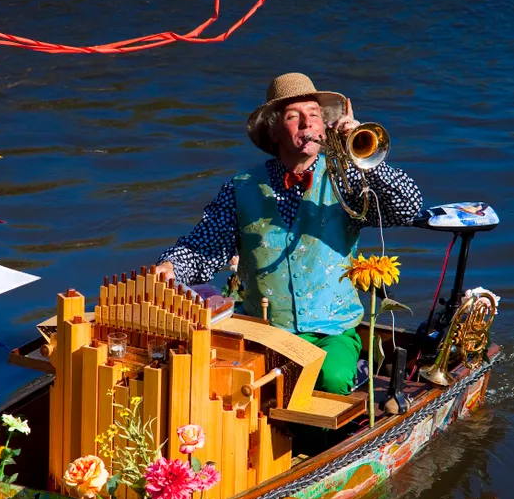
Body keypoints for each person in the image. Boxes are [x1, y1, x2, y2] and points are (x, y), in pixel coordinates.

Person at [156, 73, 422, 395]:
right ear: (274, 131)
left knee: (333, 379)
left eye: (313, 115)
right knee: (228, 383)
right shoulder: (241, 187)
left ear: (325, 128)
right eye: (293, 117)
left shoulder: (349, 180)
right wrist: (171, 267)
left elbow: (409, 207)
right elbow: (205, 245)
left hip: (332, 329)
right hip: (264, 328)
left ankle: (319, 441)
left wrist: (363, 161)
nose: (306, 125)